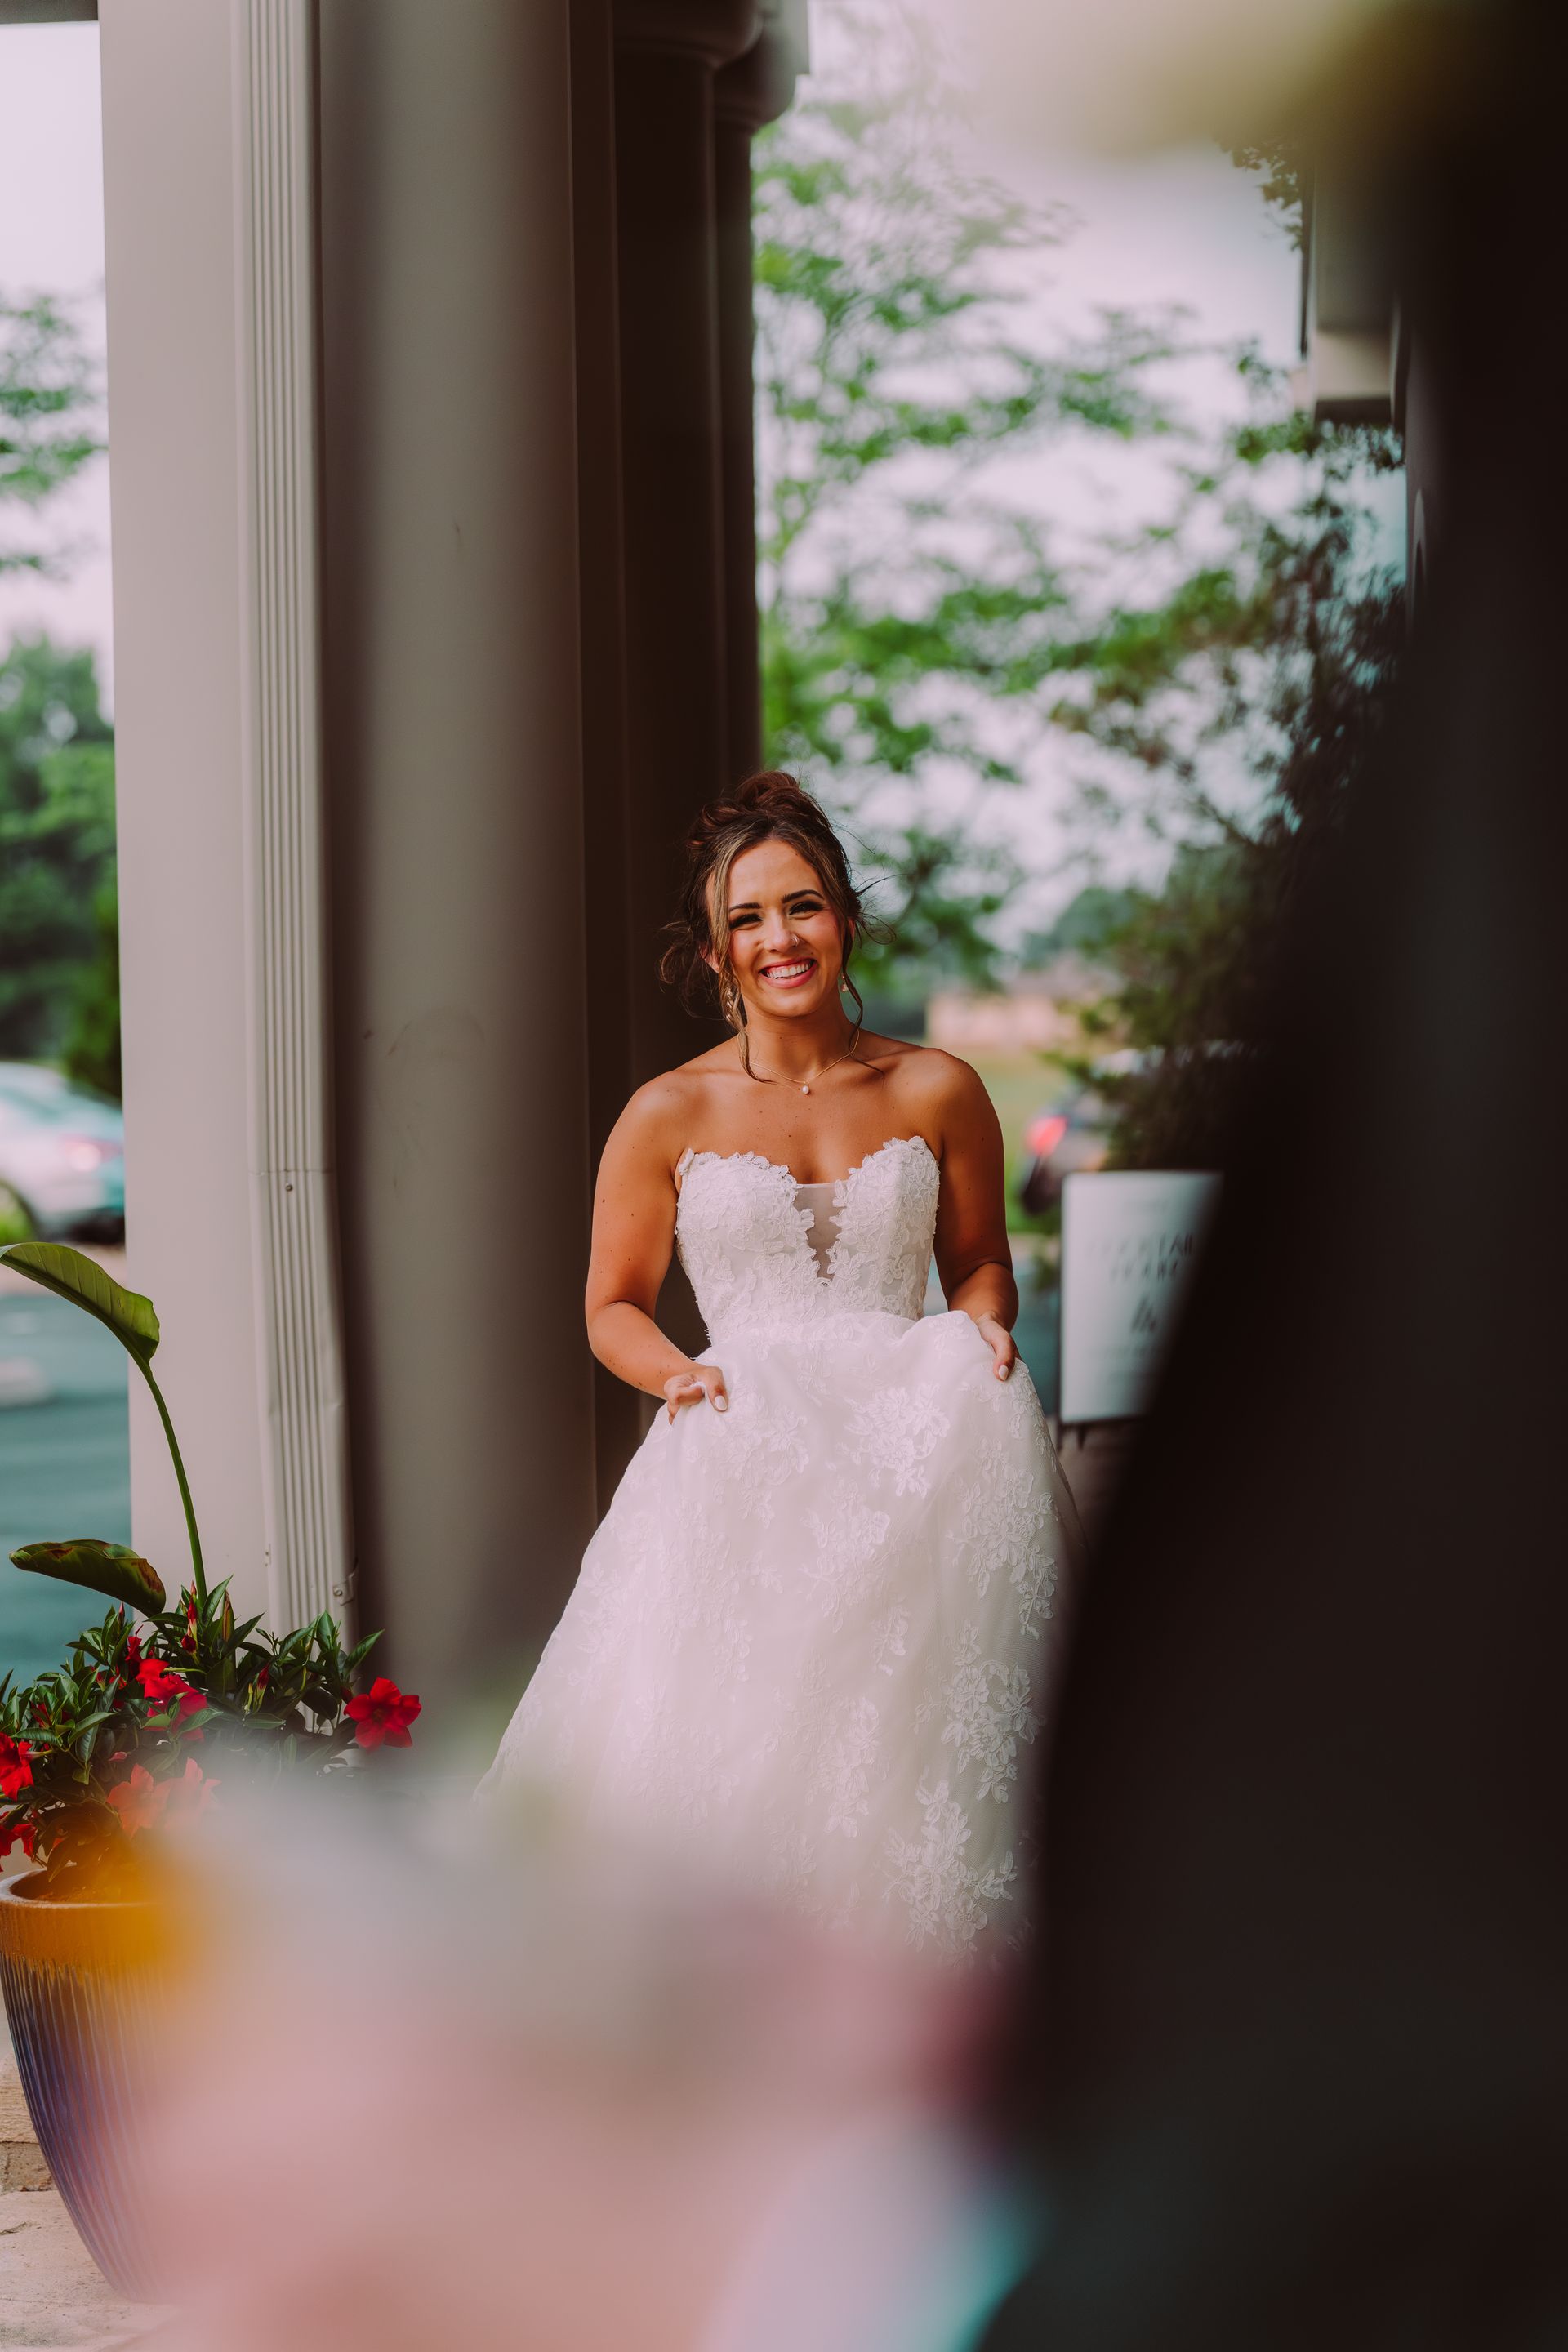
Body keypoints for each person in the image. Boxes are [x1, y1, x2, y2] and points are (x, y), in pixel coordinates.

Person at [484, 773, 1080, 1961]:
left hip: (916, 1450)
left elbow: (978, 1265)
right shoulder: (668, 1111)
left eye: (800, 907)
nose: (778, 939)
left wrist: (987, 1327)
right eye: (748, 920)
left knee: (909, 1742)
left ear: (844, 919)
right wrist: (678, 1377)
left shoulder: (939, 1087)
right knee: (737, 1738)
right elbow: (611, 1306)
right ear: (714, 953)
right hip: (747, 1442)